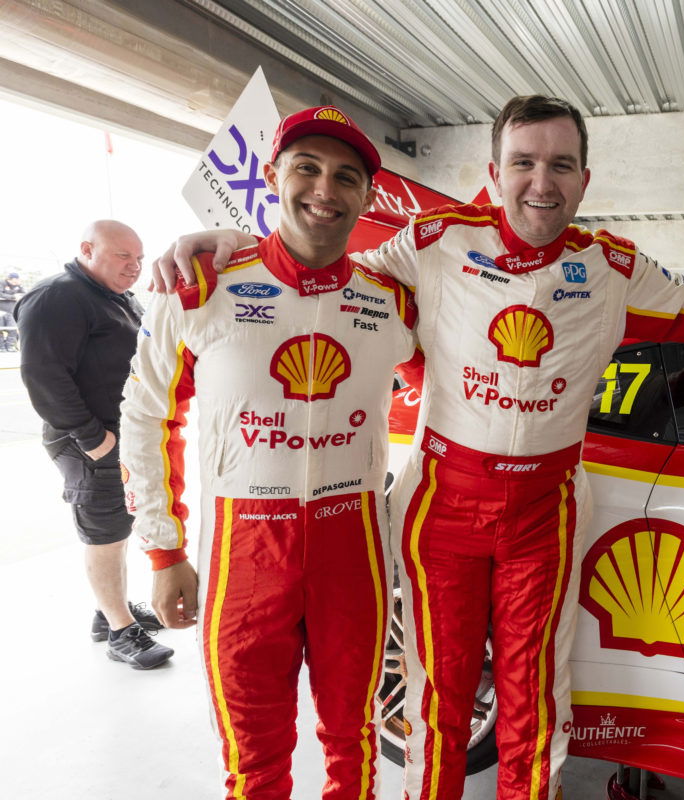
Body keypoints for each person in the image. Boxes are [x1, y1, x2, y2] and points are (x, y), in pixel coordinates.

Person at [155, 94, 684, 800]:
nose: (542, 181)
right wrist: (232, 244)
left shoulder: (612, 266)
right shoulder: (436, 241)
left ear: (584, 181)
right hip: (443, 501)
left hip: (545, 507)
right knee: (440, 691)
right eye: (524, 162)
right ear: (495, 173)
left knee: (535, 695)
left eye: (561, 165)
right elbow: (323, 268)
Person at [121, 106, 416, 799]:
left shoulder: (394, 299)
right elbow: (145, 418)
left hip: (355, 547)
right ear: (272, 175)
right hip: (245, 550)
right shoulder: (199, 282)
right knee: (255, 761)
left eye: (347, 177)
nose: (325, 189)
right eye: (306, 167)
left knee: (356, 744)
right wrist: (163, 553)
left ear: (367, 199)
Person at [15, 221, 171, 668]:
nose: (134, 266)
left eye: (139, 258)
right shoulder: (59, 297)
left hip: (118, 437)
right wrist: (92, 437)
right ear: (87, 249)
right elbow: (43, 377)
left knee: (119, 529)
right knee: (104, 535)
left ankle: (109, 614)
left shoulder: (113, 296)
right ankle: (122, 633)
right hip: (89, 441)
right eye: (124, 256)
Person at [0, 272, 24, 351]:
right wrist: (13, 296)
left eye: (17, 279)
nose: (16, 281)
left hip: (11, 311)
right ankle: (1, 347)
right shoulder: (2, 283)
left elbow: (24, 293)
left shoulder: (18, 285)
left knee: (13, 329)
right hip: (1, 311)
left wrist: (20, 291)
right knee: (0, 330)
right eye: (14, 280)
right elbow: (1, 294)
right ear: (9, 279)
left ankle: (10, 346)